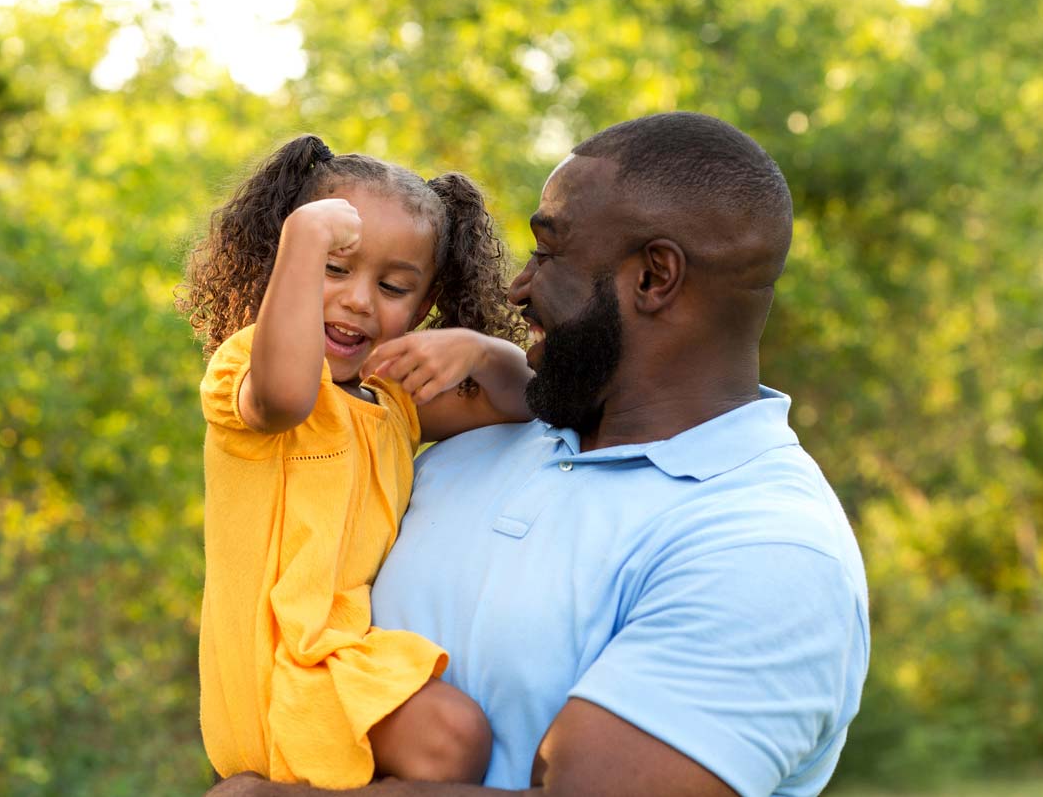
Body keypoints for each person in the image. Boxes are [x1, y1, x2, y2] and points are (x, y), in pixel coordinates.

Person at [206, 112, 870, 797]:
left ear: (653, 278)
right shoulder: (466, 443)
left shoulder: (766, 549)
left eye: (548, 254)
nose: (518, 288)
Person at [178, 135, 534, 789]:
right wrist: (305, 239)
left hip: (339, 668)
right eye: (332, 270)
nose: (358, 300)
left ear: (423, 306)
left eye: (393, 286)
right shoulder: (248, 366)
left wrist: (483, 352)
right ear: (281, 269)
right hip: (278, 674)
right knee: (453, 736)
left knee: (456, 741)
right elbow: (284, 395)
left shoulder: (392, 397)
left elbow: (520, 402)